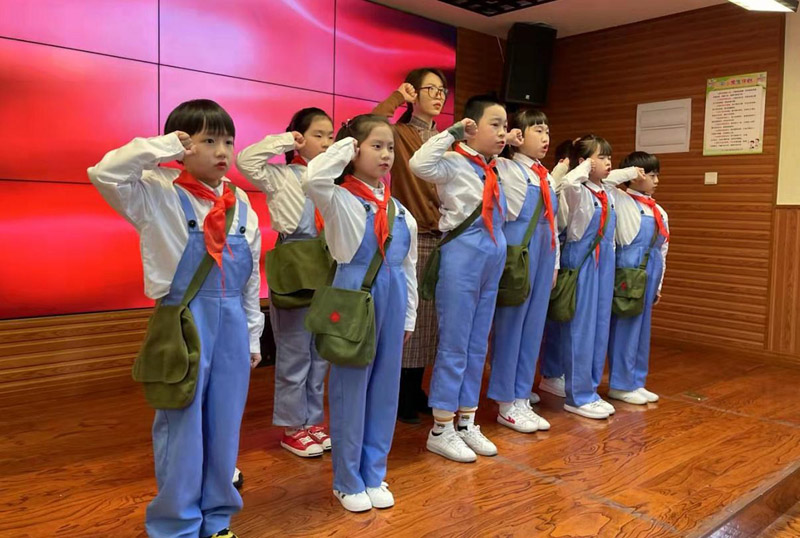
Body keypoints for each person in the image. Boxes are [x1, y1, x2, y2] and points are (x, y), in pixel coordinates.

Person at [88, 99, 263, 538]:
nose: (222, 151)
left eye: (228, 141)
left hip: (232, 325)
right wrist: (166, 145)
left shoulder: (241, 201)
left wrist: (253, 337)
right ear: (183, 145)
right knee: (180, 423)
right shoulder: (156, 191)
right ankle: (176, 525)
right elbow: (104, 173)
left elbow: (249, 278)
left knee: (225, 425)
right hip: (182, 321)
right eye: (208, 140)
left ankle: (217, 518)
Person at [304, 114, 418, 512]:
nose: (386, 154)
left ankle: (374, 472)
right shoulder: (339, 199)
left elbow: (408, 266)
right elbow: (314, 178)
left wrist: (409, 316)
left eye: (390, 148)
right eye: (376, 146)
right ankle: (347, 479)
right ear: (353, 151)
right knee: (350, 389)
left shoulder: (401, 211)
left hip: (394, 296)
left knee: (385, 389)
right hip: (354, 295)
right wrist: (344, 148)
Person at [409, 94, 508, 462]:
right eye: (495, 124)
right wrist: (451, 132)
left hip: (493, 252)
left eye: (505, 125)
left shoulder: (496, 168)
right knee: (455, 342)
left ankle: (466, 420)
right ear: (472, 127)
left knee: (478, 342)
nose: (502, 132)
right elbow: (418, 163)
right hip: (463, 253)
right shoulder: (452, 161)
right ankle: (441, 427)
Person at [237, 107, 334, 457]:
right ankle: (293, 427)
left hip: (327, 264)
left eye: (330, 136)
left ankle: (313, 421)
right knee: (294, 352)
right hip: (294, 261)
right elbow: (246, 161)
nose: (326, 143)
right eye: (318, 135)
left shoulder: (332, 180)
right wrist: (284, 141)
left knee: (320, 353)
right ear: (299, 137)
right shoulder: (280, 175)